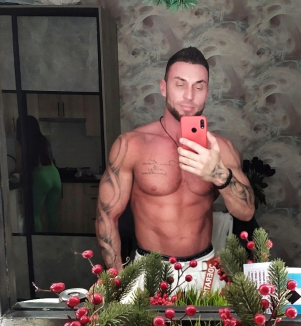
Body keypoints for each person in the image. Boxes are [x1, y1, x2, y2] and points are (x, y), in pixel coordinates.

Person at [96, 47, 255, 279]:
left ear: (207, 92)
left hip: (204, 270)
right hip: (150, 269)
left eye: (198, 87)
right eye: (180, 84)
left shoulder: (221, 148)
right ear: (163, 88)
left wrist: (218, 174)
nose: (189, 96)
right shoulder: (132, 145)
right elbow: (107, 216)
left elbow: (246, 212)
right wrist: (117, 279)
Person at [16, 115, 62, 233]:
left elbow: (19, 163)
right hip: (54, 174)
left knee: (34, 214)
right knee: (52, 212)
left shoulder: (21, 142)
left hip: (41, 176)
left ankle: (36, 241)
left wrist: (15, 173)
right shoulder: (43, 140)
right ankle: (54, 240)